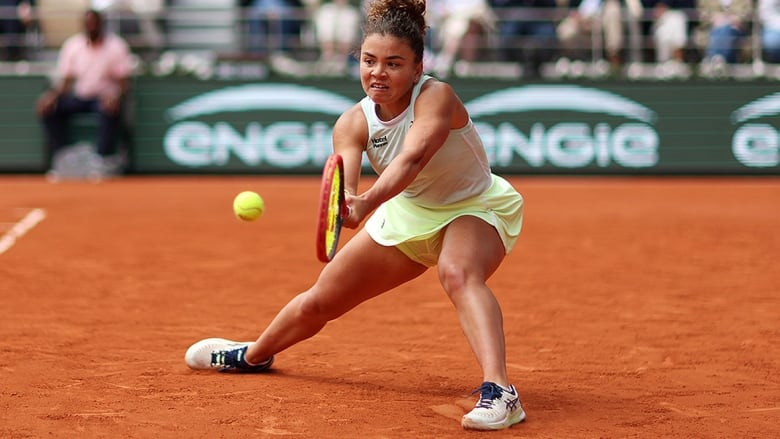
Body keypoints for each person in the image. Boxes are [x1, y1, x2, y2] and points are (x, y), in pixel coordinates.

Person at [185, 0, 527, 431]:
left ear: (419, 66)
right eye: (369, 61)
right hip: (409, 214)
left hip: (474, 205)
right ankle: (252, 355)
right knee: (321, 300)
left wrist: (366, 203)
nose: (378, 73)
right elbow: (343, 179)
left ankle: (501, 391)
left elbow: (412, 159)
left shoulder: (436, 97)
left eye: (393, 63)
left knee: (457, 271)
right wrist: (348, 199)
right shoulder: (352, 123)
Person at [35, 9, 133, 176]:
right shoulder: (73, 46)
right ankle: (63, 159)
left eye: (95, 23)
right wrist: (51, 96)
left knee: (109, 108)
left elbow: (124, 83)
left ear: (102, 25)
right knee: (50, 109)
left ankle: (102, 160)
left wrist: (115, 96)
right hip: (79, 97)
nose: (91, 27)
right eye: (88, 24)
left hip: (104, 98)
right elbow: (66, 81)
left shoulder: (116, 46)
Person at [312, 0, 361, 74]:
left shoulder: (352, 13)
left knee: (349, 17)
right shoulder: (325, 11)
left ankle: (341, 62)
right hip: (327, 55)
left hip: (345, 56)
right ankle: (328, 59)